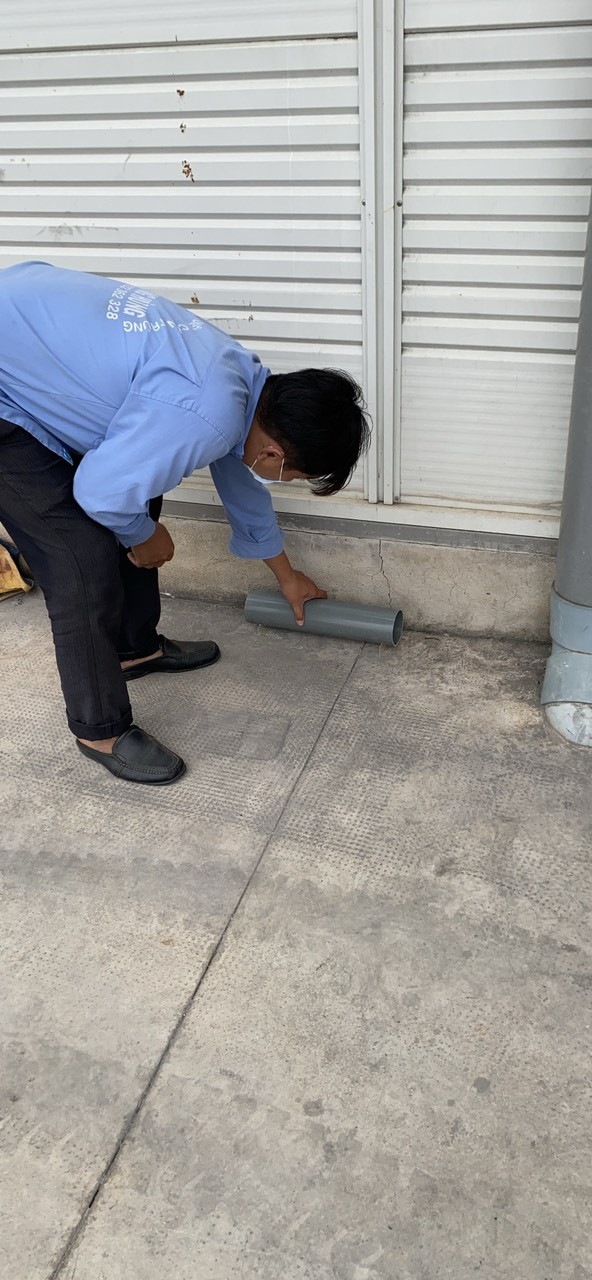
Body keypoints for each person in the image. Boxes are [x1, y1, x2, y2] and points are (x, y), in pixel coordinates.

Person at [0, 262, 370, 786]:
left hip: (18, 328)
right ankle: (99, 729)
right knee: (79, 555)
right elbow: (100, 493)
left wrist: (287, 577)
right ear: (273, 452)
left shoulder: (241, 381)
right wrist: (143, 536)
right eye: (293, 476)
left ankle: (134, 649)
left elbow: (242, 489)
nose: (283, 481)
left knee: (141, 485)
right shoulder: (206, 412)